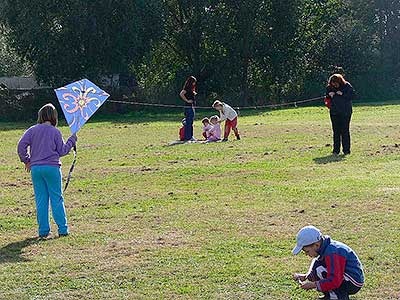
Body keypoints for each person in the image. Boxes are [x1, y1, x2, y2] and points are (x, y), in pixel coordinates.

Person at [17, 103, 77, 238]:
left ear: (40, 116)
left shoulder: (32, 130)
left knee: (41, 200)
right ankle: (62, 229)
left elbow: (21, 145)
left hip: (36, 169)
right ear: (54, 117)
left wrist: (26, 160)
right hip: (52, 168)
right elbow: (62, 151)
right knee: (56, 198)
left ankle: (43, 231)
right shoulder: (55, 132)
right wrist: (72, 140)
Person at [292, 225, 364, 300]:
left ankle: (337, 297)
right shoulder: (326, 248)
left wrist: (313, 285)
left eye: (307, 251)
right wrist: (306, 276)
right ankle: (330, 295)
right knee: (317, 264)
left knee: (320, 269)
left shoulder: (332, 252)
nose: (307, 254)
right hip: (345, 277)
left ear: (316, 245)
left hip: (353, 281)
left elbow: (335, 279)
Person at [326, 74, 354, 155]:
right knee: (336, 131)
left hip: (345, 112)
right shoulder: (329, 88)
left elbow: (353, 96)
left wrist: (342, 94)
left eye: (335, 83)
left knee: (345, 131)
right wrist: (329, 95)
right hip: (334, 112)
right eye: (332, 83)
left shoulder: (347, 86)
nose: (334, 85)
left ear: (340, 81)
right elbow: (327, 97)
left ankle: (346, 150)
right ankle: (336, 150)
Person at [179, 76, 197, 141]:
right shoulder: (187, 88)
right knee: (189, 123)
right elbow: (181, 93)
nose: (194, 84)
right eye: (193, 82)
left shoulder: (191, 89)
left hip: (191, 106)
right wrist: (187, 100)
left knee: (190, 122)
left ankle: (190, 136)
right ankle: (189, 137)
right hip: (188, 107)